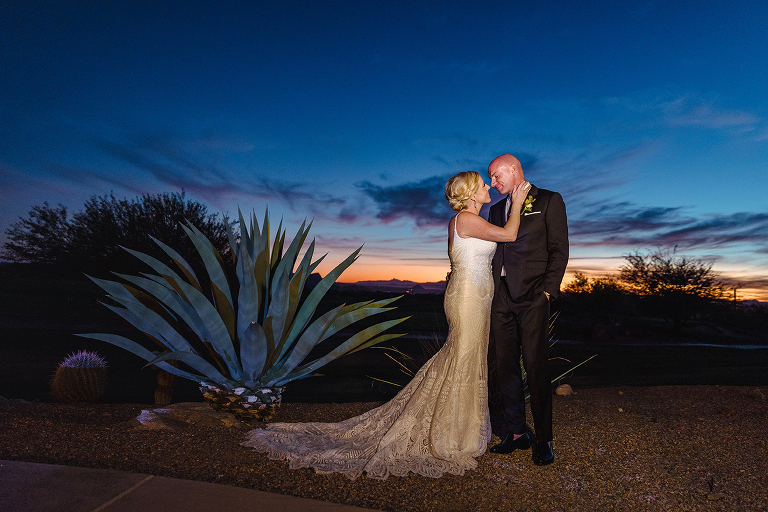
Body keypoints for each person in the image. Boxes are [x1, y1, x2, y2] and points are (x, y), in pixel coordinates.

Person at [241, 171, 530, 480]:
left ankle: (459, 430)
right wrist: (518, 202)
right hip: (468, 297)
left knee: (467, 359)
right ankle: (449, 435)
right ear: (472, 194)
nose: (488, 187)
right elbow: (510, 234)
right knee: (462, 358)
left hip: (477, 295)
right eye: (483, 184)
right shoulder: (466, 219)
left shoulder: (469, 221)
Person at [486, 154, 569, 466]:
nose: (493, 184)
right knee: (505, 367)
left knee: (536, 367)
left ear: (513, 169)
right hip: (500, 298)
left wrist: (547, 292)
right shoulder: (495, 210)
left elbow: (559, 249)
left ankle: (544, 438)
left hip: (534, 296)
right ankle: (517, 432)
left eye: (496, 176)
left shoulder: (549, 200)